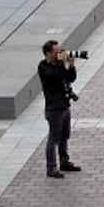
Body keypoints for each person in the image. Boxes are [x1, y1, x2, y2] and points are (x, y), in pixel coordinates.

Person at [38, 40, 81, 178]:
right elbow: (55, 79)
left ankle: (64, 161)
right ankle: (51, 166)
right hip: (54, 107)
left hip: (64, 104)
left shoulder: (59, 64)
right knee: (54, 137)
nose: (59, 53)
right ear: (48, 53)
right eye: (56, 52)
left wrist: (71, 65)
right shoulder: (43, 66)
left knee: (64, 135)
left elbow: (70, 78)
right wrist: (60, 63)